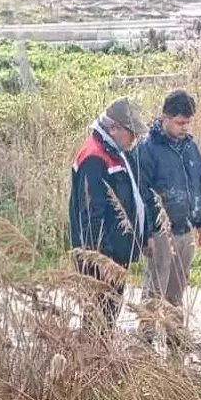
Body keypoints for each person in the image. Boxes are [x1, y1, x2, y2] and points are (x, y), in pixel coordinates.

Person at [137, 90, 201, 346]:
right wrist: (147, 233)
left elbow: (198, 186)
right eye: (179, 123)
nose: (184, 128)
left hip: (185, 228)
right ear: (165, 118)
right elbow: (142, 194)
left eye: (188, 122)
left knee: (178, 285)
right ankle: (146, 335)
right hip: (160, 231)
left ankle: (174, 333)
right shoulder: (147, 148)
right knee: (155, 286)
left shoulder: (191, 147)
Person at [68, 97, 146, 332]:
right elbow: (92, 216)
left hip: (116, 256)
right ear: (113, 128)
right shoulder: (94, 157)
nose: (135, 139)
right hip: (102, 258)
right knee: (98, 321)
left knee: (108, 318)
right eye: (132, 133)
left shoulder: (115, 151)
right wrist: (103, 261)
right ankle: (92, 355)